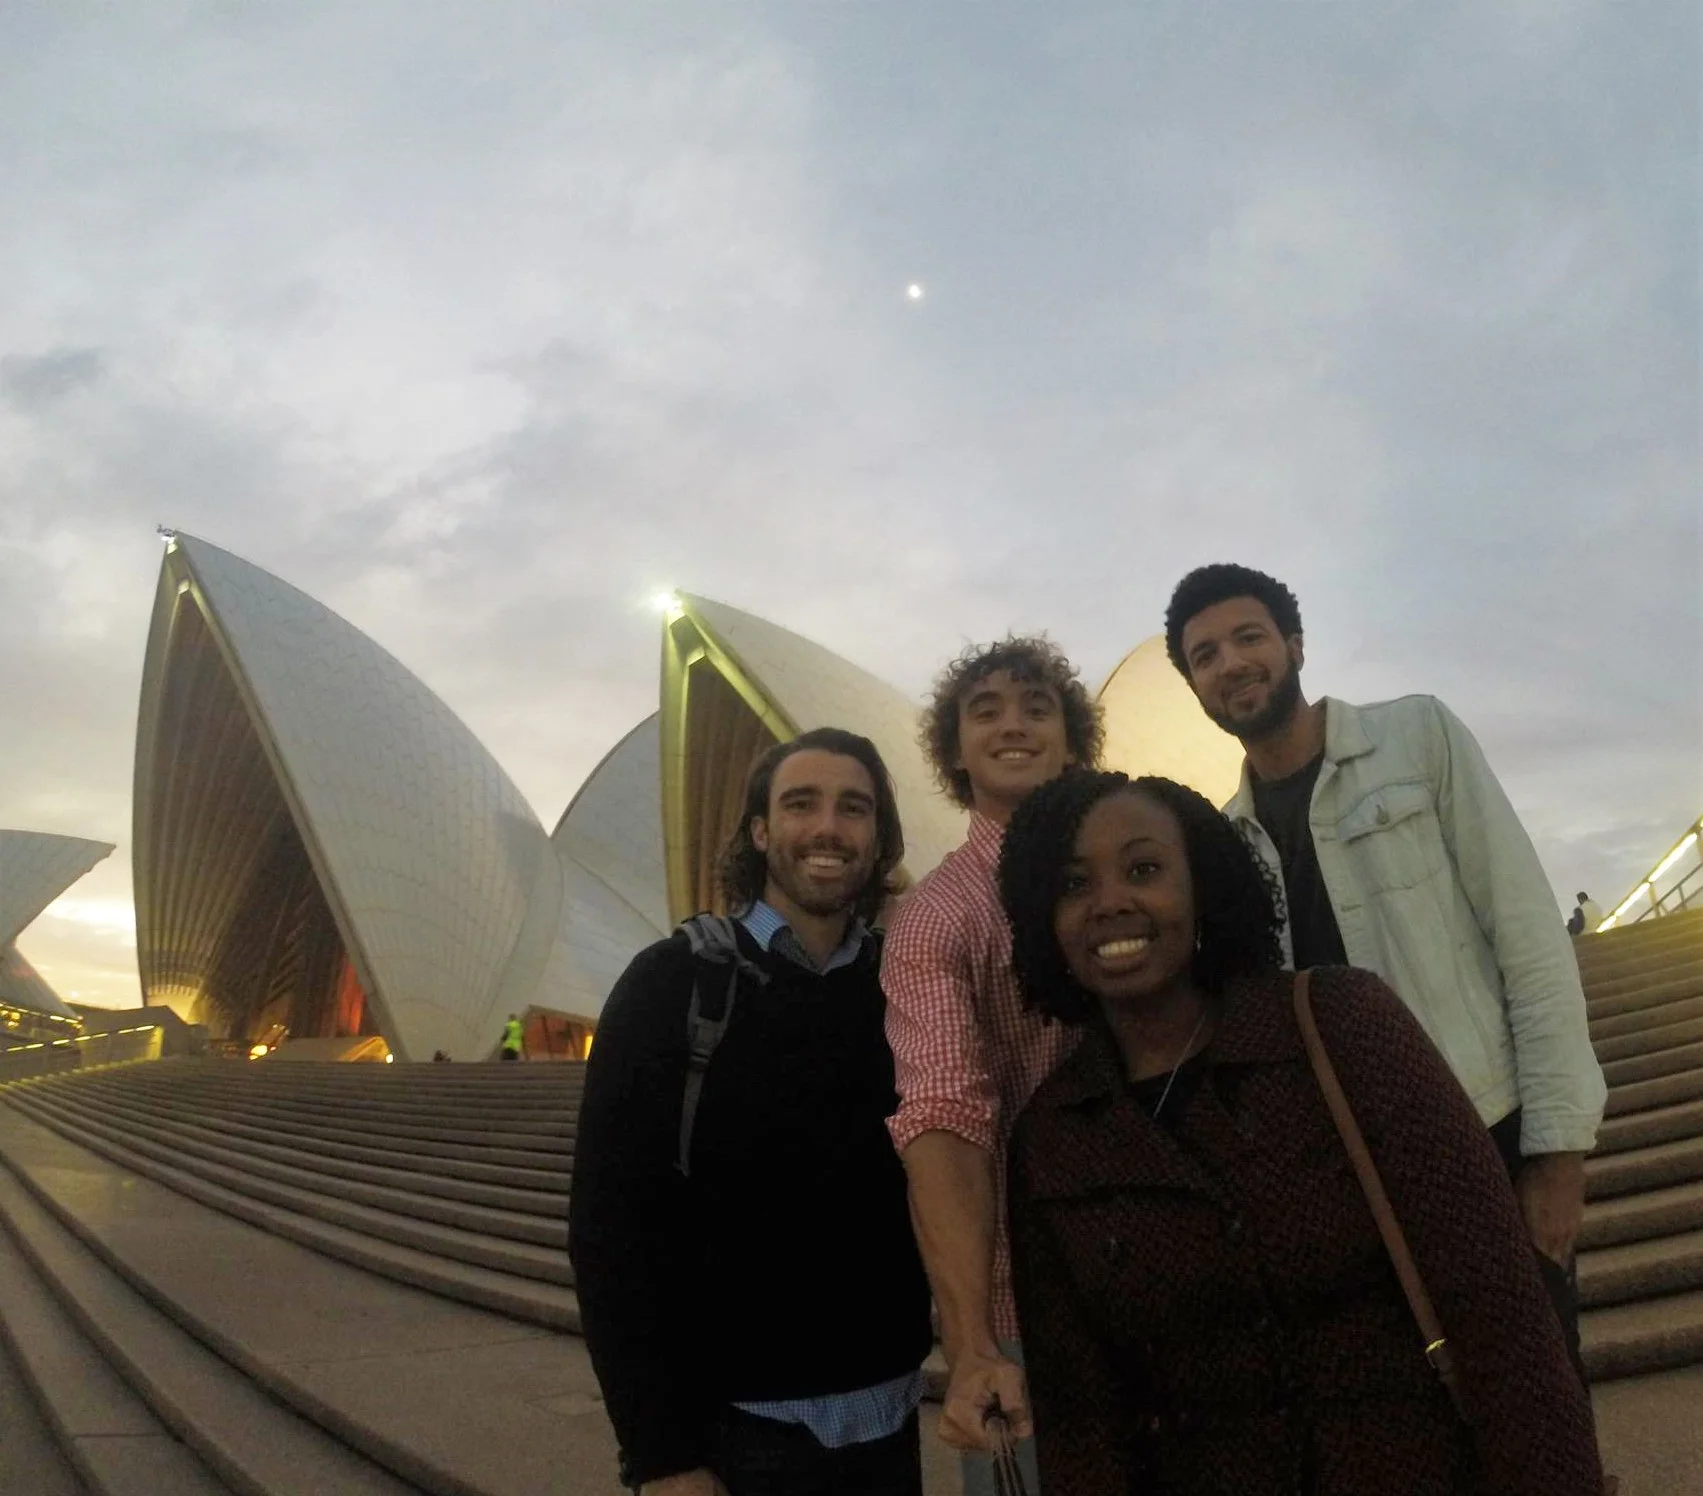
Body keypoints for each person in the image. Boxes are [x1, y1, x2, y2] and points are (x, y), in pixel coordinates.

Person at [998, 769, 1606, 1494]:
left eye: (1144, 869)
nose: (1110, 903)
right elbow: (1082, 1424)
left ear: (1203, 888)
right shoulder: (1052, 1140)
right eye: (1073, 885)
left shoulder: (1341, 1025)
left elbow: (1500, 1315)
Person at [1164, 563, 1607, 1376]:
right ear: (1193, 686)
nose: (1229, 663)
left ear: (1294, 645)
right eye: (1204, 656)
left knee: (1537, 1390)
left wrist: (1556, 1151)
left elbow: (1526, 936)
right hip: (1349, 1169)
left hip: (1485, 1128)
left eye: (1247, 637)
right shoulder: (1225, 841)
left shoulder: (1415, 737)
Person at [569, 727, 932, 1496]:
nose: (828, 828)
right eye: (800, 805)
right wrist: (660, 1455)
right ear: (761, 831)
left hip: (892, 1424)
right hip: (740, 1440)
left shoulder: (904, 992)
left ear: (878, 838)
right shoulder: (672, 985)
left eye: (853, 808)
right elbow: (609, 1232)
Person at [881, 636, 1103, 1492]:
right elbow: (941, 1114)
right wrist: (970, 1342)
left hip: (1166, 1281)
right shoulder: (939, 917)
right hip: (1027, 1308)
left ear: (1072, 740)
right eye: (986, 712)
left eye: (1036, 708)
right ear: (954, 751)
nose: (1014, 725)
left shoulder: (1133, 875)